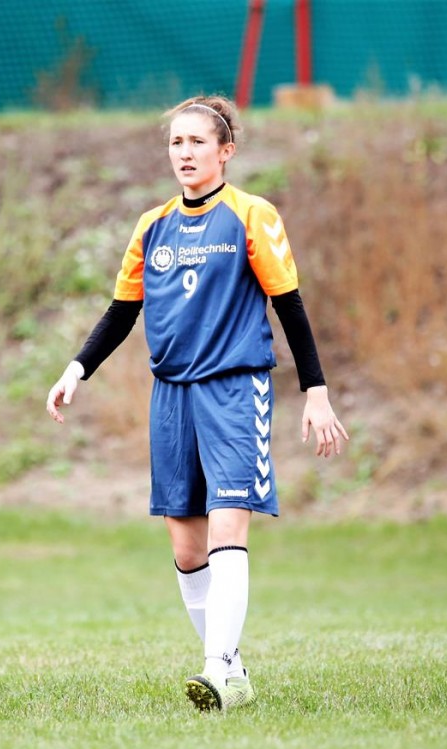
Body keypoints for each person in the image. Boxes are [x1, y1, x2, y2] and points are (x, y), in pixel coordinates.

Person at [45, 95, 348, 712]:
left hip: (234, 388)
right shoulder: (151, 226)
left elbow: (289, 305)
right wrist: (77, 369)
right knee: (187, 550)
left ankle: (215, 672)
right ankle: (233, 668)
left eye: (198, 142)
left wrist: (315, 391)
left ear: (225, 151)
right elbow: (122, 312)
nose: (185, 153)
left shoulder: (251, 214)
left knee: (227, 526)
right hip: (171, 396)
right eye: (176, 143)